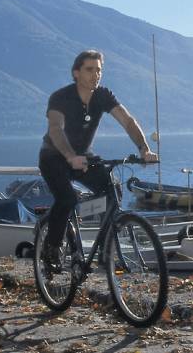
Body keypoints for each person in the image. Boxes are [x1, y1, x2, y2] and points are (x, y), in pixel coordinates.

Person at [38, 50, 158, 263]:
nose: (96, 74)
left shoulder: (103, 95)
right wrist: (70, 156)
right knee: (67, 198)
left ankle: (105, 250)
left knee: (112, 190)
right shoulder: (60, 97)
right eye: (90, 69)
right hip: (54, 156)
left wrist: (144, 149)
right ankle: (52, 248)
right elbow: (56, 129)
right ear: (76, 73)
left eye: (99, 70)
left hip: (83, 157)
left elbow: (127, 121)